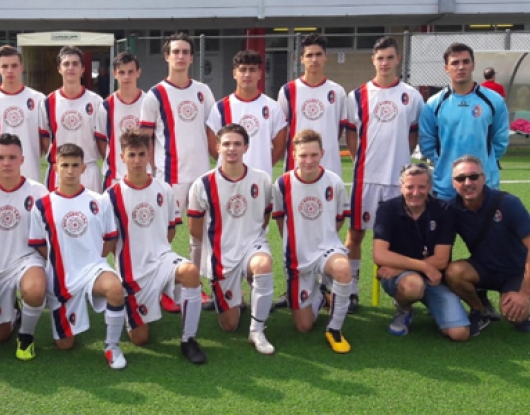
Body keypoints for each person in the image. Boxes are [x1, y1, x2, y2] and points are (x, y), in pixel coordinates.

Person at [105, 130, 207, 364]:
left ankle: (188, 339)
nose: (137, 160)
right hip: (133, 273)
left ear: (149, 155)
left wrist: (156, 250)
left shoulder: (164, 189)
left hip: (162, 260)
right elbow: (109, 242)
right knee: (140, 339)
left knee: (190, 271)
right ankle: (137, 308)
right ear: (122, 157)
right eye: (132, 155)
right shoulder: (110, 196)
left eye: (142, 154)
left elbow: (170, 231)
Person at [28, 143, 129, 369]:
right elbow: (39, 244)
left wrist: (94, 257)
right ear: (56, 168)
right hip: (62, 279)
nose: (70, 171)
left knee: (115, 288)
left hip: (93, 269)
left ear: (84, 168)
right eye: (65, 165)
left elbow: (110, 238)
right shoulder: (42, 205)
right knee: (64, 345)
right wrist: (62, 258)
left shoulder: (99, 201)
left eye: (75, 165)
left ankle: (112, 347)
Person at [342, 36, 423, 313]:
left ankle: (400, 293)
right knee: (355, 234)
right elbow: (351, 134)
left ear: (398, 59)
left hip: (398, 181)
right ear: (373, 60)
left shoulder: (411, 96)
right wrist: (361, 161)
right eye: (380, 58)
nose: (385, 63)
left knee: (399, 238)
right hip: (366, 178)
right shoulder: (357, 96)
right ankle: (351, 289)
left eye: (390, 57)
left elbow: (412, 134)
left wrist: (400, 160)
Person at [139, 32, 216, 311]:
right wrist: (152, 171)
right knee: (164, 236)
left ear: (192, 57)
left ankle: (195, 287)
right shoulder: (155, 94)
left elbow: (212, 131)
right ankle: (163, 288)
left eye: (185, 52)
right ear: (167, 56)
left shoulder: (203, 91)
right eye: (175, 51)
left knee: (201, 234)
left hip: (200, 176)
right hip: (168, 177)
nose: (180, 56)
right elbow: (145, 138)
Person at [188, 124, 277, 355]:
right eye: (226, 144)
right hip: (222, 255)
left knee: (263, 264)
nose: (232, 148)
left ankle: (257, 331)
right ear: (217, 147)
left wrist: (247, 237)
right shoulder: (202, 184)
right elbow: (195, 229)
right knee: (229, 325)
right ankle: (238, 297)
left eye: (237, 143)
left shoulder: (262, 179)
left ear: (246, 147)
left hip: (252, 246)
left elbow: (265, 217)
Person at [271, 129, 353, 353]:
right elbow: (280, 221)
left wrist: (324, 238)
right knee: (303, 326)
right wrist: (296, 243)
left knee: (343, 268)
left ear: (322, 153)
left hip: (327, 250)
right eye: (303, 155)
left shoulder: (334, 182)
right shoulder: (282, 184)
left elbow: (339, 219)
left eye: (314, 155)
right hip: (298, 258)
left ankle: (334, 329)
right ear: (294, 155)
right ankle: (320, 297)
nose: (309, 160)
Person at [445, 155, 530, 335]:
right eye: (460, 178)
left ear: (483, 178)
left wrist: (524, 294)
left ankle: (522, 307)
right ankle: (480, 310)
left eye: (473, 176)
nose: (467, 183)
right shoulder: (451, 209)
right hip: (483, 268)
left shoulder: (508, 203)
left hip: (516, 271)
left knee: (514, 315)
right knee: (454, 272)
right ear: (453, 183)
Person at [372, 162, 470, 341]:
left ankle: (434, 307)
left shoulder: (444, 210)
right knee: (413, 285)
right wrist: (423, 267)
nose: (415, 193)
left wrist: (400, 267)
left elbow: (441, 260)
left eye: (422, 187)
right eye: (410, 187)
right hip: (403, 278)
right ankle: (404, 308)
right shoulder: (387, 209)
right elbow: (379, 255)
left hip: (432, 278)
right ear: (401, 187)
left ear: (430, 187)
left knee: (459, 334)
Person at [0, 133, 49, 361]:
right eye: (0, 158)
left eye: (12, 157)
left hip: (27, 260)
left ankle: (26, 335)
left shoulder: (38, 192)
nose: (6, 163)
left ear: (22, 160)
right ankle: (14, 312)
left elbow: (48, 235)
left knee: (35, 290)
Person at [419, 43, 509, 201]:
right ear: (446, 68)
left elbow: (500, 141)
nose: (461, 67)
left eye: (466, 62)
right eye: (455, 63)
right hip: (446, 187)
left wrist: (485, 162)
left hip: (484, 186)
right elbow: (427, 144)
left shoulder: (494, 101)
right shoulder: (433, 104)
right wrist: (445, 164)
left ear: (473, 65)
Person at [207, 49, 287, 178]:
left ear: (259, 74)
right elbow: (213, 146)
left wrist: (262, 167)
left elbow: (280, 147)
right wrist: (231, 166)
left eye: (252, 70)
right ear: (234, 73)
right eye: (243, 69)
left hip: (260, 179)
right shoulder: (220, 108)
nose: (247, 74)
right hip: (227, 179)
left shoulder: (273, 107)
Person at [277, 34, 347, 176]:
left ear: (325, 57)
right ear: (301, 59)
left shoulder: (337, 91)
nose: (314, 59)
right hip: (296, 166)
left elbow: (339, 129)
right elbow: (282, 130)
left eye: (318, 54)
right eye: (309, 55)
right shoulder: (288, 91)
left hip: (329, 165)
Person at [39, 46, 104, 192]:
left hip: (88, 169)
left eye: (75, 63)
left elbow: (101, 140)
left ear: (82, 69)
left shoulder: (96, 101)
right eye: (66, 64)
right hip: (59, 171)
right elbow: (45, 139)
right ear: (59, 69)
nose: (70, 68)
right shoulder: (48, 102)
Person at [0, 45, 47, 182]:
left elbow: (43, 139)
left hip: (29, 171)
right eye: (5, 66)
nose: (10, 70)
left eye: (14, 66)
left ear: (21, 68)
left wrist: (30, 154)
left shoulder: (38, 99)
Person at [96, 51, 146, 190]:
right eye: (122, 72)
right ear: (114, 74)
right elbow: (101, 141)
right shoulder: (106, 106)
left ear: (138, 73)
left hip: (144, 176)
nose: (126, 77)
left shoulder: (148, 102)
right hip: (114, 178)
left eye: (130, 72)